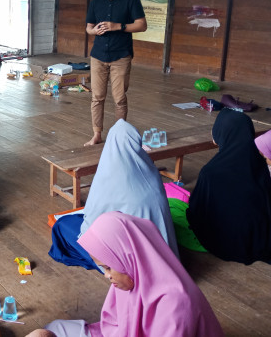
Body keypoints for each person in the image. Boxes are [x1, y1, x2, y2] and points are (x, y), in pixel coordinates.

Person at [37, 212, 224, 337]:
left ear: (128, 259)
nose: (106, 275)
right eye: (104, 268)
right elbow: (113, 325)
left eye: (109, 267)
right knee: (49, 330)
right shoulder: (132, 277)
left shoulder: (177, 305)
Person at [49, 119, 179, 270]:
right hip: (164, 256)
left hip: (131, 265)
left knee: (63, 225)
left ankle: (112, 268)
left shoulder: (109, 174)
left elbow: (90, 221)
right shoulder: (151, 171)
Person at [187, 109, 271, 264]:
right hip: (260, 238)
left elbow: (197, 211)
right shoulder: (260, 163)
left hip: (223, 244)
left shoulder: (210, 172)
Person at [84, 0, 147, 146]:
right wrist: (94, 31)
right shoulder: (96, 2)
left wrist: (118, 26)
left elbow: (142, 25)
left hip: (121, 56)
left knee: (119, 98)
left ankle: (119, 135)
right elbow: (88, 27)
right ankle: (97, 135)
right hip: (98, 55)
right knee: (97, 97)